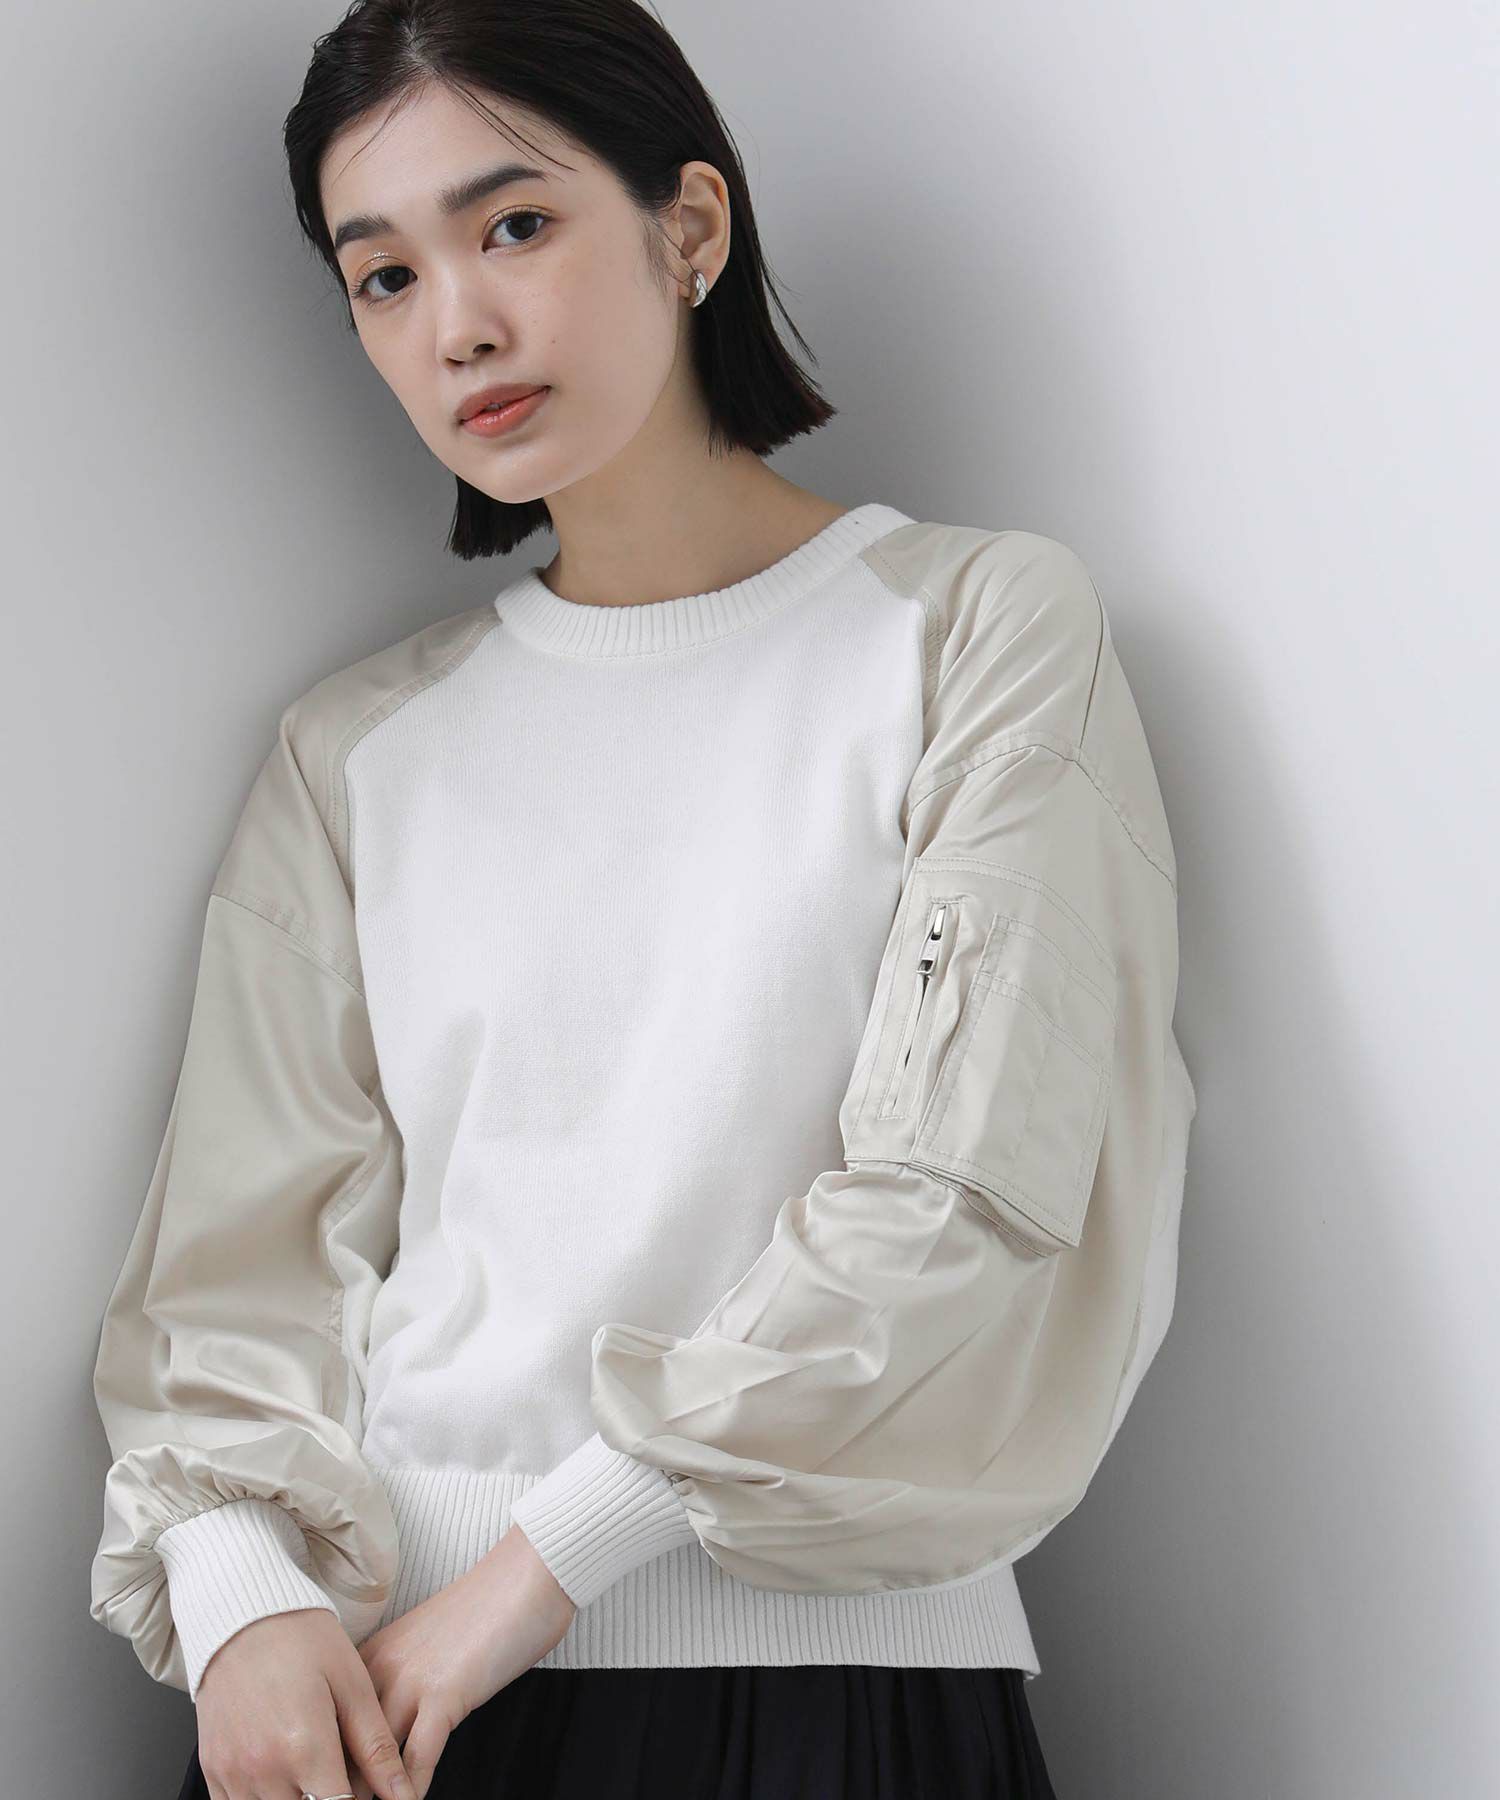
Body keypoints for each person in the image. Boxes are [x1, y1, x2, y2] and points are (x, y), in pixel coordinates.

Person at [87, 2, 1197, 1796]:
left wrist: (546, 1567)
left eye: (515, 224)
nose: (457, 324)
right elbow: (232, 1265)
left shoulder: (971, 628)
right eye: (385, 277)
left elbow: (968, 1186)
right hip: (389, 1707)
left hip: (827, 1696)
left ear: (691, 226)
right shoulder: (357, 749)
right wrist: (237, 1596)